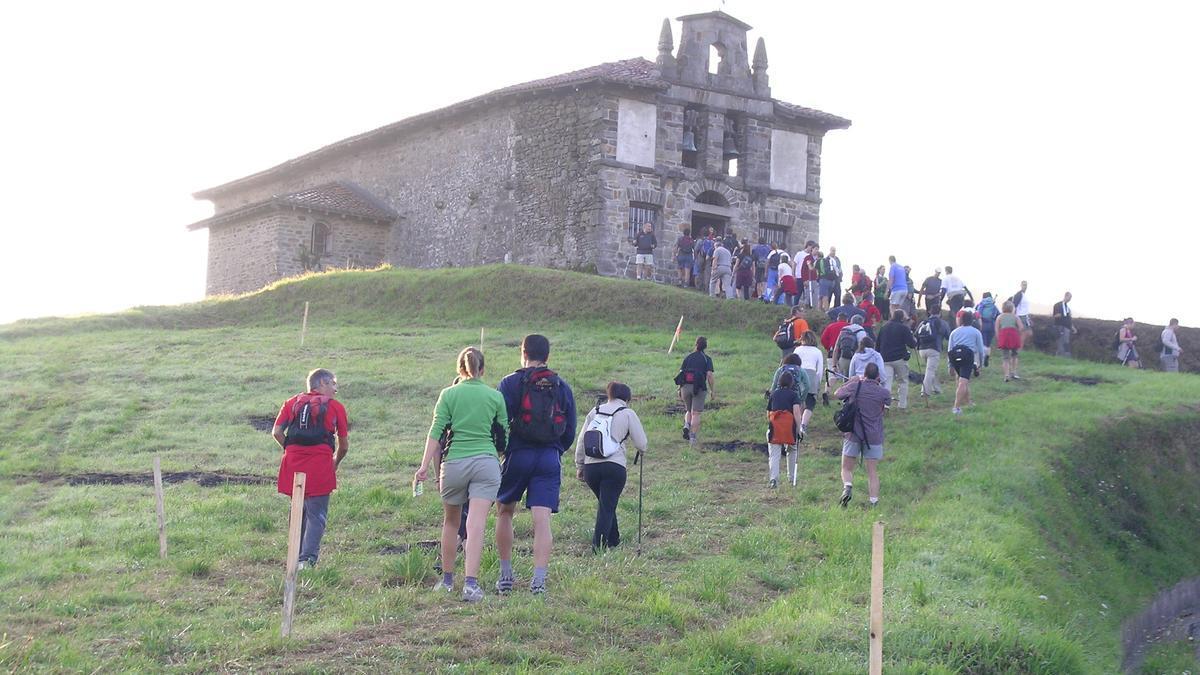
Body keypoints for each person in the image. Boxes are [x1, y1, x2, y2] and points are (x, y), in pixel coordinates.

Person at [415, 348, 506, 601]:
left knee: (451, 522)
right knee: (475, 524)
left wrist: (423, 466)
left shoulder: (448, 394)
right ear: (482, 370)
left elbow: (436, 432)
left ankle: (446, 581)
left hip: (453, 463)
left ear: (460, 369)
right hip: (486, 463)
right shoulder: (495, 396)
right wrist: (495, 454)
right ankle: (471, 585)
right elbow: (503, 435)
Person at [495, 335, 578, 596]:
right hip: (549, 457)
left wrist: (504, 448)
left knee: (504, 511)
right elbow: (570, 430)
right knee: (542, 520)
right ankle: (538, 581)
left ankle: (506, 576)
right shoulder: (561, 386)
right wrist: (556, 449)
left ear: (523, 353)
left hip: (518, 454)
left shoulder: (509, 383)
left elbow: (499, 422)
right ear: (547, 356)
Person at [272, 368, 350, 571]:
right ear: (322, 383)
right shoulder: (335, 407)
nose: (336, 389)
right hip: (320, 464)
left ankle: (294, 557)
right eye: (333, 383)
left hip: (292, 464)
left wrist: (291, 449)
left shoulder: (291, 403)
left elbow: (277, 432)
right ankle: (307, 561)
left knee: (298, 508)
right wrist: (335, 462)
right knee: (317, 514)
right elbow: (343, 445)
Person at [573, 381, 647, 552]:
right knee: (607, 505)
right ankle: (598, 547)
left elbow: (582, 440)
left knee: (606, 503)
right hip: (614, 466)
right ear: (627, 398)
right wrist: (641, 450)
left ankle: (614, 539)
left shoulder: (595, 411)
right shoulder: (627, 413)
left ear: (609, 395)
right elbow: (641, 443)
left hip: (591, 467)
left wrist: (580, 465)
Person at [835, 362, 890, 507]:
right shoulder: (884, 393)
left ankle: (847, 486)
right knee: (872, 472)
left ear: (864, 374)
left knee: (846, 468)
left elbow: (838, 394)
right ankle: (873, 501)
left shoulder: (855, 386)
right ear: (878, 376)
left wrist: (852, 380)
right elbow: (887, 405)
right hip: (873, 436)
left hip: (853, 433)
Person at [765, 371, 804, 488]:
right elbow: (796, 413)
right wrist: (799, 429)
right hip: (789, 429)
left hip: (775, 428)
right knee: (792, 450)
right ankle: (791, 478)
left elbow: (768, 413)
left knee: (774, 454)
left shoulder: (774, 394)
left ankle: (774, 479)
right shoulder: (794, 395)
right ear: (792, 383)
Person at [677, 336, 715, 446]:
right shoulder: (707, 359)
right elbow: (709, 375)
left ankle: (686, 425)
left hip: (685, 387)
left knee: (688, 410)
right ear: (705, 347)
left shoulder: (688, 357)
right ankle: (692, 437)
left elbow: (681, 373)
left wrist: (679, 388)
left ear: (696, 345)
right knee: (696, 413)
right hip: (699, 387)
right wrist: (712, 390)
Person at [877, 310, 917, 410]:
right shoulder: (903, 328)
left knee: (887, 382)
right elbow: (912, 344)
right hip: (899, 358)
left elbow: (877, 345)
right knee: (903, 381)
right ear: (902, 318)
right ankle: (902, 405)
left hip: (885, 358)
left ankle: (885, 405)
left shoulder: (884, 327)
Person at [947, 312, 986, 415]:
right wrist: (981, 364)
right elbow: (981, 350)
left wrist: (950, 365)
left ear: (961, 320)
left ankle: (968, 402)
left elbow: (949, 349)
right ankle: (956, 407)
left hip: (955, 357)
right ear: (972, 320)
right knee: (963, 382)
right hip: (967, 357)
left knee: (962, 380)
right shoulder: (976, 332)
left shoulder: (954, 332)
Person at [915, 309, 952, 397]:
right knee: (930, 370)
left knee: (931, 369)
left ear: (930, 313)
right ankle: (925, 391)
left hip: (922, 350)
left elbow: (916, 334)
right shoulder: (942, 323)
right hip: (934, 349)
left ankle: (937, 389)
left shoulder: (923, 322)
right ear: (940, 313)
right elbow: (948, 336)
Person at [792, 331, 825, 427]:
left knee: (798, 401)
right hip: (811, 376)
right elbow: (820, 370)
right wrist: (817, 383)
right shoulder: (817, 351)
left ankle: (797, 423)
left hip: (799, 375)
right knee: (810, 403)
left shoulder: (797, 350)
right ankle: (803, 425)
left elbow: (793, 364)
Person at [995, 300, 1023, 382]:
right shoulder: (1015, 317)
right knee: (1014, 355)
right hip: (1014, 336)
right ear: (1012, 308)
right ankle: (1013, 372)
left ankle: (1006, 375)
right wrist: (1017, 333)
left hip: (1004, 336)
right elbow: (1021, 327)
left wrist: (998, 338)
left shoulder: (999, 317)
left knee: (1005, 357)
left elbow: (997, 329)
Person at [975, 292, 1000, 364]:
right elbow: (998, 315)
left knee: (982, 343)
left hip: (982, 325)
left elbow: (976, 314)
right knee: (988, 344)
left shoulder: (980, 305)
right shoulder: (993, 306)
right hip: (991, 326)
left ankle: (981, 360)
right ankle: (987, 356)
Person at [1052, 292, 1077, 357]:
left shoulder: (1068, 308)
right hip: (1060, 326)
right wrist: (1058, 315)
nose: (1070, 299)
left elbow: (1069, 319)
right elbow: (1054, 315)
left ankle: (1063, 356)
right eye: (1070, 297)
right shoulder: (1057, 305)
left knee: (1066, 342)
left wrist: (1073, 328)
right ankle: (1062, 356)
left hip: (1067, 328)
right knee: (1060, 341)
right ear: (1066, 296)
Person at [1012, 281, 1033, 347]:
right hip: (1020, 316)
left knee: (1029, 333)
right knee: (1023, 333)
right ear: (1021, 285)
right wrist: (1014, 317)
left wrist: (1028, 317)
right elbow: (1014, 306)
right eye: (1023, 285)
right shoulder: (1018, 294)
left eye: (1026, 285)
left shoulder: (1024, 295)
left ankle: (1018, 346)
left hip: (1025, 316)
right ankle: (1018, 348)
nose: (1025, 286)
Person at [799, 242, 819, 308]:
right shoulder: (808, 258)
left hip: (815, 280)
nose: (817, 250)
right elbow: (803, 270)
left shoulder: (818, 259)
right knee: (807, 296)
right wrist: (804, 280)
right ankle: (806, 308)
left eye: (818, 249)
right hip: (808, 280)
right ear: (812, 249)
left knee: (815, 297)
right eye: (815, 249)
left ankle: (813, 309)